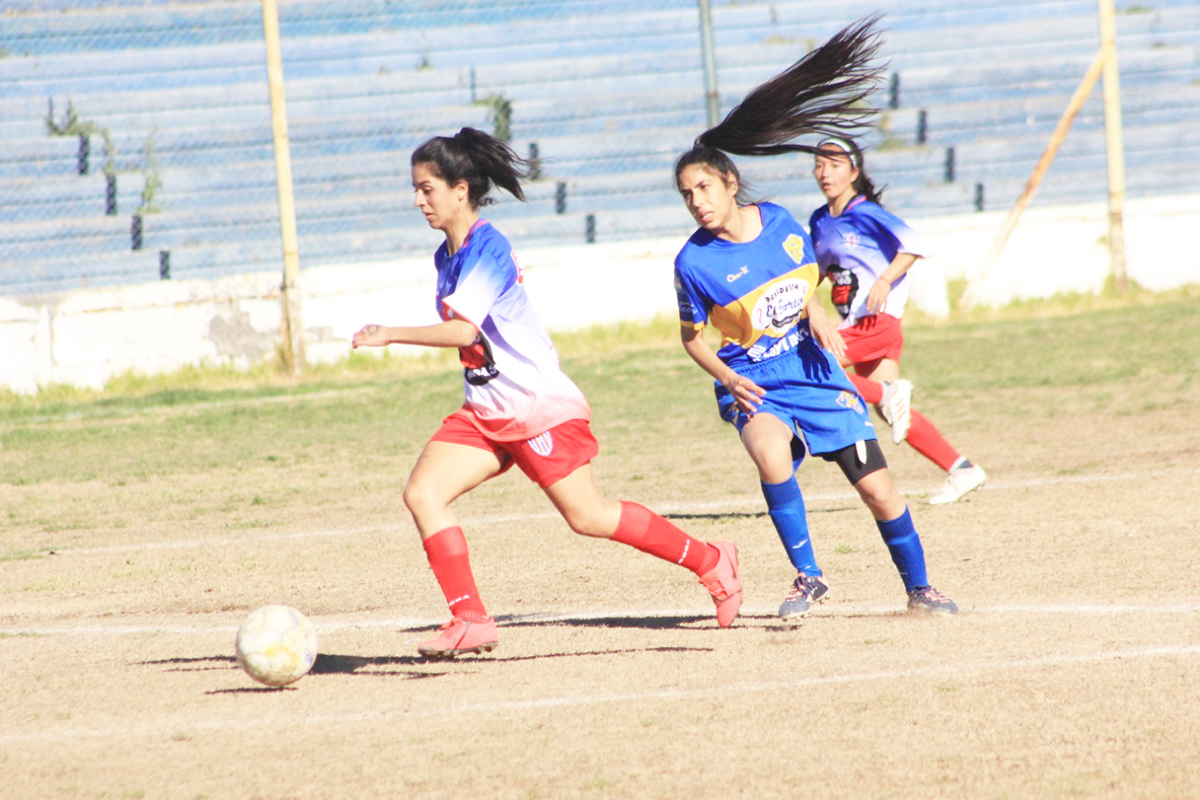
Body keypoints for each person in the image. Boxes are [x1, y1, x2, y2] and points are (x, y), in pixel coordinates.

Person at [352, 127, 742, 658]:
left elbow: (464, 331)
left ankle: (711, 559)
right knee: (423, 493)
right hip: (486, 411)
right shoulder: (447, 255)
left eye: (427, 189)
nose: (418, 200)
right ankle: (470, 620)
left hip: (538, 408)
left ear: (460, 190)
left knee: (589, 517)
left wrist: (390, 333)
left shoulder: (487, 247)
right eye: (416, 189)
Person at [670, 17, 957, 619]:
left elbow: (804, 282)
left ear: (730, 183)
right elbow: (693, 341)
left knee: (879, 490)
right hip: (753, 379)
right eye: (687, 194)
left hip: (814, 371)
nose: (697, 202)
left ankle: (921, 588)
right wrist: (728, 378)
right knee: (771, 455)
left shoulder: (779, 221)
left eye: (704, 188)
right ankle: (808, 576)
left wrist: (819, 309)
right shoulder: (692, 263)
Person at [809, 137, 986, 505]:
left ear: (854, 172)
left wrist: (885, 279)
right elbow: (819, 271)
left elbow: (914, 245)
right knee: (889, 411)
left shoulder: (866, 213)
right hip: (859, 323)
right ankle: (962, 468)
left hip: (875, 321)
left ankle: (891, 392)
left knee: (814, 371)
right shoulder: (820, 220)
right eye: (820, 165)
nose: (825, 172)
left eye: (835, 165)